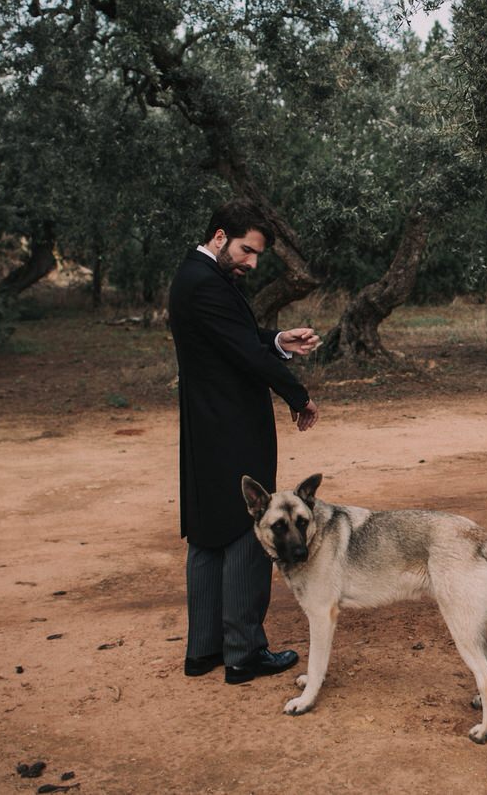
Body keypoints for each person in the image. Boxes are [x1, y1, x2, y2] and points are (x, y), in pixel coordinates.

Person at [169, 198, 321, 684]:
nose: (252, 263)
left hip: (205, 427)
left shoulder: (195, 277)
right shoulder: (207, 283)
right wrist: (298, 395)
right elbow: (244, 355)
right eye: (247, 251)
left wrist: (277, 342)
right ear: (219, 237)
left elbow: (238, 338)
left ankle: (204, 650)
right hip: (232, 426)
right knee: (245, 534)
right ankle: (243, 655)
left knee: (207, 534)